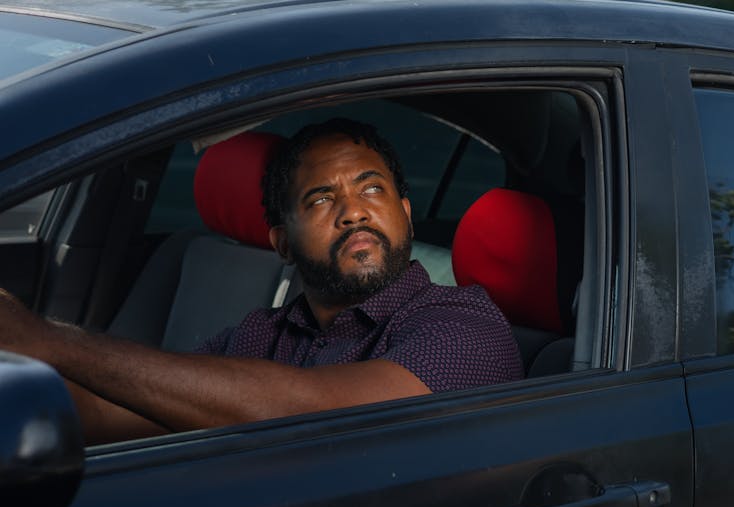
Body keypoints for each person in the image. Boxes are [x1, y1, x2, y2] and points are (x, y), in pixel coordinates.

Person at [0, 118, 524, 445]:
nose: (352, 214)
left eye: (372, 190)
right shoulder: (261, 335)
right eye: (320, 199)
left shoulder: (465, 326)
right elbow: (130, 408)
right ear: (281, 243)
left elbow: (315, 415)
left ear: (406, 214)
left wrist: (47, 340)